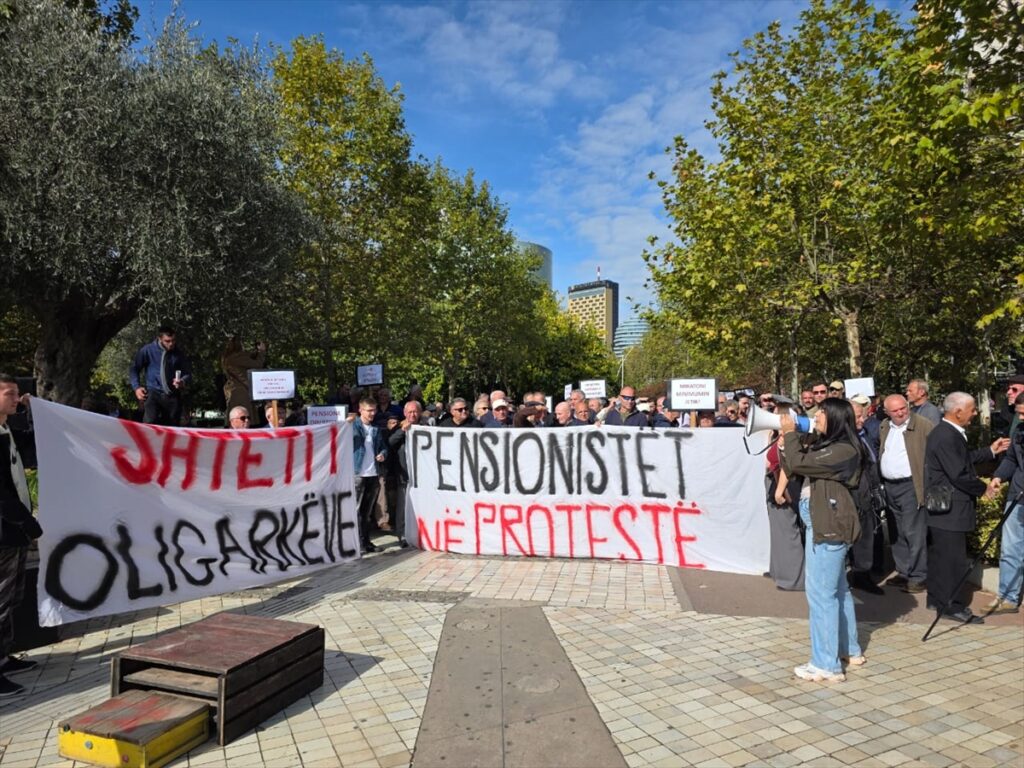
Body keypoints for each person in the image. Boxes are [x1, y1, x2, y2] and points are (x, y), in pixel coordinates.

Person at [779, 398, 864, 683]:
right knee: (838, 590)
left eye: (822, 414)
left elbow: (800, 462)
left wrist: (791, 434)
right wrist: (784, 443)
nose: (816, 418)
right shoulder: (827, 445)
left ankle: (825, 665)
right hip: (825, 520)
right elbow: (794, 465)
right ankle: (849, 650)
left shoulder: (844, 449)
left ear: (836, 418)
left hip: (829, 525)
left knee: (820, 595)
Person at [924, 392, 1009, 624]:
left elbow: (961, 459)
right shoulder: (945, 435)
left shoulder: (948, 433)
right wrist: (983, 490)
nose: (975, 413)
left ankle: (937, 598)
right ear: (957, 411)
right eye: (972, 409)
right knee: (952, 560)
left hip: (945, 508)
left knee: (941, 557)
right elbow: (959, 473)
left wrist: (990, 451)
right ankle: (951, 606)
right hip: (950, 510)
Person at [0, 374, 43, 698]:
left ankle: (4, 656)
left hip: (12, 532)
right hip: (5, 531)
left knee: (11, 597)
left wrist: (32, 410)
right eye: (10, 394)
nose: (17, 399)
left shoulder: (6, 430)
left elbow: (32, 447)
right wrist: (26, 523)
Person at [878, 394, 934, 593]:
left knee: (914, 531)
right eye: (895, 410)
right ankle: (904, 572)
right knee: (896, 531)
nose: (901, 412)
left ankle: (919, 576)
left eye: (904, 408)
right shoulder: (885, 426)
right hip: (890, 486)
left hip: (911, 486)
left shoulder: (923, 425)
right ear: (887, 412)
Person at [986, 392, 1024, 613]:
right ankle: (1007, 597)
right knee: (1010, 549)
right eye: (1018, 414)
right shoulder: (1019, 431)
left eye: (1023, 414)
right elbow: (1011, 458)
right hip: (1016, 498)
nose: (1020, 419)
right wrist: (999, 476)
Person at [848, 397, 884, 595]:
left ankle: (862, 573)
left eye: (862, 415)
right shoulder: (848, 441)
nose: (862, 420)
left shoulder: (865, 434)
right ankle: (859, 574)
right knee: (861, 537)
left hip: (868, 494)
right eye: (858, 417)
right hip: (856, 496)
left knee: (868, 535)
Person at [129, 325, 192, 426]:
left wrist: (182, 381)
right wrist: (136, 387)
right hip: (153, 393)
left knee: (172, 427)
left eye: (173, 340)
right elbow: (134, 369)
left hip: (172, 395)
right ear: (160, 339)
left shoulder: (179, 354)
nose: (171, 344)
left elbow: (187, 373)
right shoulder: (147, 350)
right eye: (168, 341)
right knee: (150, 424)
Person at [352, 397, 388, 553]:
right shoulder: (353, 427)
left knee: (367, 512)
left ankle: (366, 542)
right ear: (361, 410)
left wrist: (383, 454)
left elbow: (383, 447)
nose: (372, 413)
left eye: (374, 410)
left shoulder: (376, 429)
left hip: (373, 474)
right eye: (369, 410)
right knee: (356, 511)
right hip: (358, 474)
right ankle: (357, 543)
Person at [387, 401, 422, 548]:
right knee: (403, 506)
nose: (412, 415)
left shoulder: (426, 426)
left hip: (422, 475)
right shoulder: (398, 427)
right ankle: (401, 535)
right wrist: (402, 430)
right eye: (410, 412)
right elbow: (390, 442)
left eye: (415, 412)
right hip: (404, 474)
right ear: (404, 413)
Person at [221, 337, 266, 423]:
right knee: (244, 419)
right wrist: (262, 352)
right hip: (242, 391)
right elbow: (257, 364)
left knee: (235, 418)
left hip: (233, 389)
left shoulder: (227, 358)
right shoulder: (238, 357)